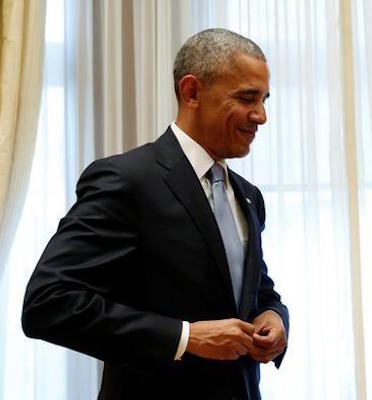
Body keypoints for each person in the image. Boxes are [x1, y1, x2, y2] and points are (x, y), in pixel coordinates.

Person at [22, 28, 288, 400]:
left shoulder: (249, 197)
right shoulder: (125, 181)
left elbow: (257, 292)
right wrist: (185, 337)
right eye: (247, 98)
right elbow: (49, 304)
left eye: (264, 99)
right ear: (192, 92)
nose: (261, 116)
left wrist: (274, 318)